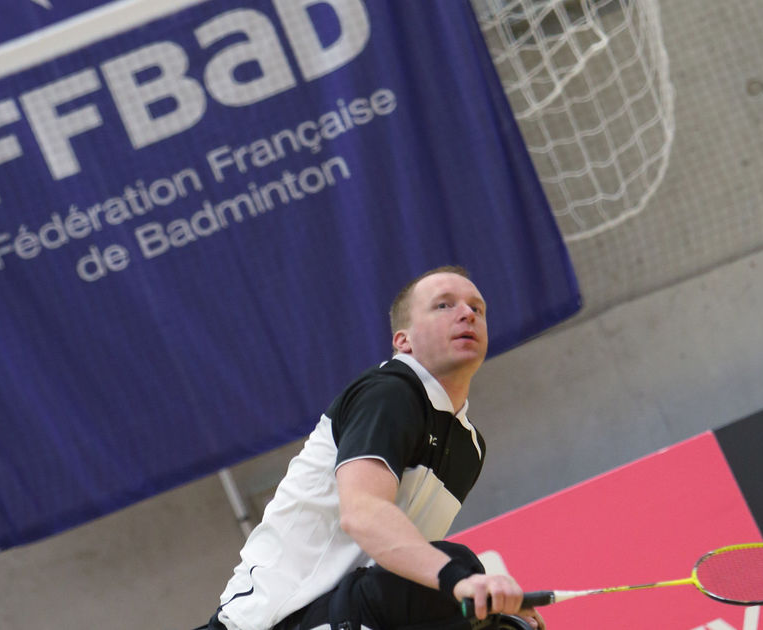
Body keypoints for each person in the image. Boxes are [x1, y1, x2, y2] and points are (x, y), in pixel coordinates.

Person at [199, 266, 544, 630]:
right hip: (274, 620)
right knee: (458, 565)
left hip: (352, 611)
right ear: (403, 341)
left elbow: (406, 566)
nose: (467, 313)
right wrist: (463, 583)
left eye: (478, 308)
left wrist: (489, 603)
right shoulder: (390, 392)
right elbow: (362, 513)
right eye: (444, 306)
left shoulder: (469, 449)